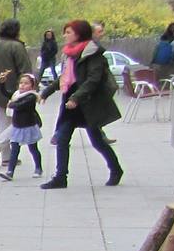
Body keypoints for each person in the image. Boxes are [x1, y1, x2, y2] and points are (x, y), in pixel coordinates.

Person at [39, 19, 122, 190]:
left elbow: (93, 80)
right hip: (70, 103)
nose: (65, 35)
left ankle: (116, 169)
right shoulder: (69, 53)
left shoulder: (93, 54)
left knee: (97, 141)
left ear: (79, 34)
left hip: (87, 103)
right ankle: (61, 177)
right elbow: (64, 77)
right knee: (62, 139)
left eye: (68, 32)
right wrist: (46, 92)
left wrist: (77, 98)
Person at [0, 19, 32, 165]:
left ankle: (7, 157)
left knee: (4, 122)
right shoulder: (16, 47)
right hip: (14, 90)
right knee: (20, 122)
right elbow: (25, 70)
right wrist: (28, 88)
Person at [0, 74, 44, 182]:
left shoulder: (31, 96)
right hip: (17, 126)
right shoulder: (17, 94)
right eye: (21, 83)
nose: (22, 85)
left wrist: (11, 105)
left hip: (28, 126)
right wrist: (2, 84)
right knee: (14, 149)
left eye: (26, 83)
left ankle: (38, 168)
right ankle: (10, 172)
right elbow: (6, 94)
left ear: (32, 86)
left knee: (33, 148)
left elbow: (20, 105)